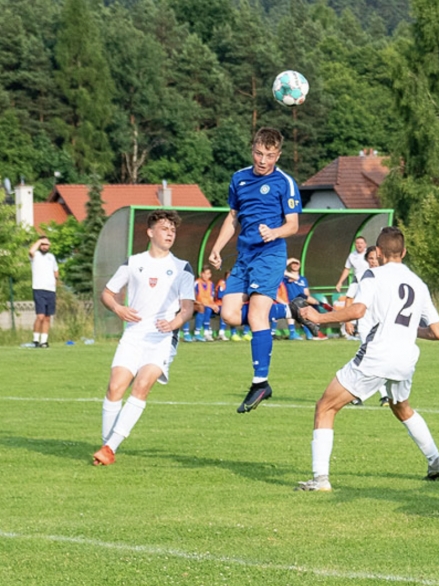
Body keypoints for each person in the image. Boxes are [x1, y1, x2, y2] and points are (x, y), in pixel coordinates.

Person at [294, 226, 439, 491]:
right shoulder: (419, 283)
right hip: (405, 357)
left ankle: (320, 479)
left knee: (325, 407)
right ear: (404, 252)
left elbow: (357, 310)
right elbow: (438, 333)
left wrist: (319, 317)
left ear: (377, 252)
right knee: (401, 407)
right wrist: (407, 329)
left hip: (377, 355)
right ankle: (435, 460)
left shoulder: (373, 275)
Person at [92, 210, 195, 466]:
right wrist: (118, 308)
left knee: (142, 385)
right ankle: (108, 445)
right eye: (164, 228)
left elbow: (188, 308)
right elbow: (107, 293)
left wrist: (173, 323)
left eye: (173, 229)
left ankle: (108, 448)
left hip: (161, 337)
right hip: (134, 335)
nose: (170, 233)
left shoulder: (182, 267)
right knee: (115, 387)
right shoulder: (134, 262)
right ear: (150, 232)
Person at [209, 127, 300, 414]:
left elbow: (293, 225)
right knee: (229, 314)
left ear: (278, 154)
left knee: (257, 314)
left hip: (270, 254)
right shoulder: (239, 178)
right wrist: (217, 247)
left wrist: (274, 233)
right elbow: (232, 217)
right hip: (244, 256)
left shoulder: (285, 182)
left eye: (270, 155)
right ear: (252, 150)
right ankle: (287, 311)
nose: (263, 160)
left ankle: (260, 382)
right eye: (259, 153)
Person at [344, 246, 389, 407]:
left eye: (377, 258)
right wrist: (348, 320)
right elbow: (349, 298)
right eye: (371, 258)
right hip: (365, 323)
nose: (374, 261)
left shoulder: (387, 276)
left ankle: (358, 394)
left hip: (382, 323)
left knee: (378, 359)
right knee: (371, 357)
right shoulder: (361, 276)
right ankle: (383, 396)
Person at [29, 236, 59, 348]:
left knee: (47, 317)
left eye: (46, 244)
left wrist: (55, 283)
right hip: (39, 289)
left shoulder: (51, 257)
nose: (44, 246)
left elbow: (56, 272)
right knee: (40, 316)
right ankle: (36, 339)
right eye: (43, 244)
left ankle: (44, 341)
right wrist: (40, 241)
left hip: (50, 290)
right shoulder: (35, 256)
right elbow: (31, 251)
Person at [283, 257, 320, 340]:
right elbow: (280, 267)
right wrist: (291, 259)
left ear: (300, 266)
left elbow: (306, 292)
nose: (295, 265)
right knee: (291, 314)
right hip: (290, 300)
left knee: (305, 316)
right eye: (293, 263)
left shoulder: (303, 279)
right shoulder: (285, 276)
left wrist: (309, 301)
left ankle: (309, 334)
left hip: (301, 301)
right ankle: (292, 333)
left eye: (297, 263)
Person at [182, 265, 217, 342]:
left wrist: (214, 305)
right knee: (188, 309)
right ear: (201, 274)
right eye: (204, 273)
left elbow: (211, 297)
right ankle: (186, 333)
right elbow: (193, 298)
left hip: (206, 304)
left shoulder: (211, 284)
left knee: (209, 309)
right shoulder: (196, 283)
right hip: (194, 303)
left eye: (208, 274)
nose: (206, 276)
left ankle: (202, 332)